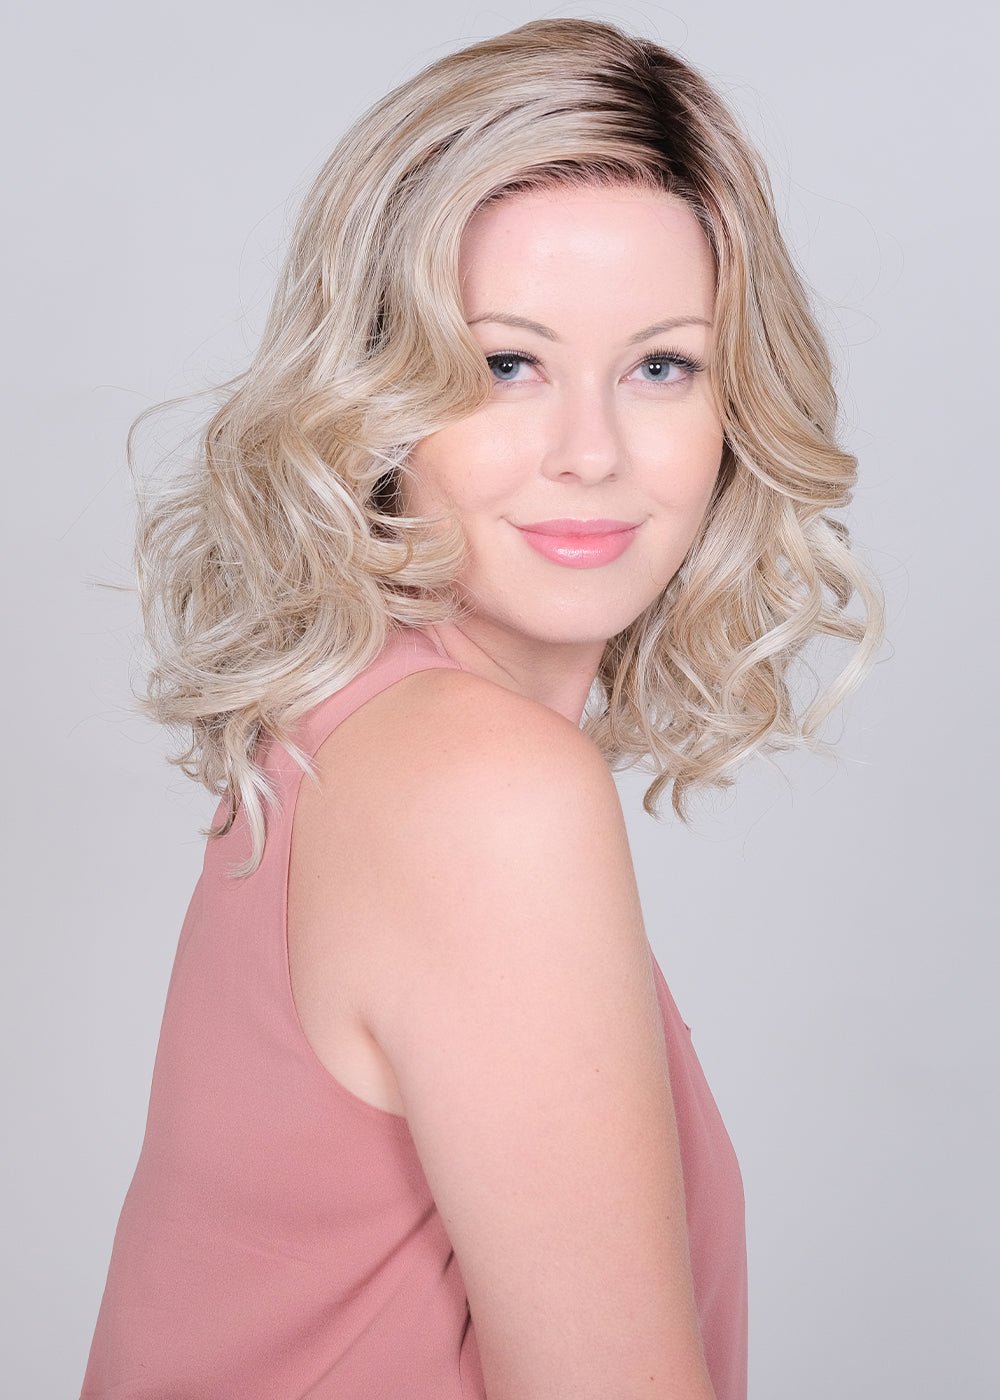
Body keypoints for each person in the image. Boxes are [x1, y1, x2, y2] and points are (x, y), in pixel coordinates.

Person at [80, 16, 884, 1400]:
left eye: (662, 366)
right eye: (506, 364)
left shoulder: (362, 736)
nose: (590, 451)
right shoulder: (478, 787)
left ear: (735, 407)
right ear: (378, 393)